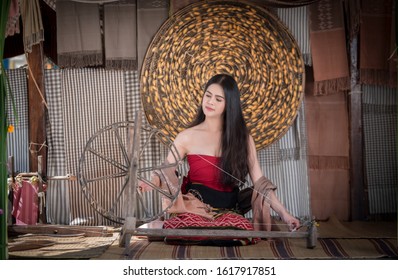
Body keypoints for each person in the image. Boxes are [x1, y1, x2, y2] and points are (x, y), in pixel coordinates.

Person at [140, 73, 300, 245]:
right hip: (194, 209)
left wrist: (285, 214)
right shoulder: (186, 136)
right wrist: (149, 184)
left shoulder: (243, 138)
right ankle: (167, 226)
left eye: (218, 99)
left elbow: (260, 182)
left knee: (240, 230)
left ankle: (165, 227)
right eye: (208, 95)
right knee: (186, 227)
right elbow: (166, 170)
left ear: (228, 105)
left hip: (228, 212)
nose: (210, 102)